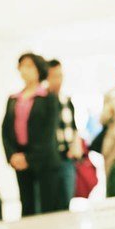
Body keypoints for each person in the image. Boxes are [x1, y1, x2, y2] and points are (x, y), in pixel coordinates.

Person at [2, 53, 60, 217]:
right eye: (22, 66)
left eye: (29, 66)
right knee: (27, 208)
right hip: (20, 159)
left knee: (47, 209)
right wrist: (12, 155)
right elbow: (5, 130)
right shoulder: (13, 99)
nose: (25, 70)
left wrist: (29, 158)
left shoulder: (48, 97)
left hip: (44, 160)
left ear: (38, 70)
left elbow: (48, 134)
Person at [46, 59, 82, 211]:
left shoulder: (66, 100)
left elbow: (72, 128)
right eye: (53, 76)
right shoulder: (42, 101)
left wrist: (74, 148)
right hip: (49, 160)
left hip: (67, 159)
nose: (57, 80)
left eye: (60, 75)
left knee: (66, 202)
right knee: (50, 204)